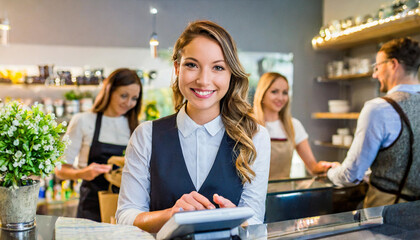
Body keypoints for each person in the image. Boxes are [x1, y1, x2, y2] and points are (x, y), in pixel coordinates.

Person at [116, 20, 270, 233]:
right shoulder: (146, 135)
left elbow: (255, 223)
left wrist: (237, 219)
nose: (204, 80)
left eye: (218, 67)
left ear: (230, 74)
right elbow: (125, 217)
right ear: (177, 67)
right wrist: (171, 215)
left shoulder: (255, 137)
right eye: (192, 65)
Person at [327, 37, 420, 208]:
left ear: (393, 64)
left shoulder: (379, 109)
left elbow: (351, 175)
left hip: (386, 218)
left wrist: (330, 173)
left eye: (377, 67)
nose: (374, 74)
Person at [55, 68, 143, 222]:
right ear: (109, 91)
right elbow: (60, 170)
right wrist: (82, 173)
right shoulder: (83, 120)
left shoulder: (136, 127)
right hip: (91, 208)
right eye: (124, 96)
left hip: (126, 211)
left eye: (134, 98)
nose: (129, 103)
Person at [253, 72, 335, 180]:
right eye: (274, 92)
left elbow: (312, 167)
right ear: (262, 94)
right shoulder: (248, 124)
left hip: (282, 193)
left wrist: (328, 167)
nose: (280, 97)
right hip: (252, 195)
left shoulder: (293, 126)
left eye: (285, 93)